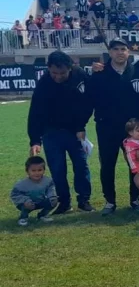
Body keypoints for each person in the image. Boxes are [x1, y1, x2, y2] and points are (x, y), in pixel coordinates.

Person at [88, 38, 139, 216]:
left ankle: (135, 199)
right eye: (116, 49)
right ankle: (110, 201)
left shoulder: (138, 72)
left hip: (134, 130)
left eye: (123, 49)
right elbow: (88, 102)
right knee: (107, 164)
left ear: (129, 52)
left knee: (136, 164)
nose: (120, 52)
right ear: (110, 52)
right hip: (107, 128)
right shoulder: (99, 74)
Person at [27, 51, 93, 214]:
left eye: (62, 73)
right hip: (51, 132)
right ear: (48, 69)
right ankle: (64, 202)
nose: (57, 76)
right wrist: (35, 140)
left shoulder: (81, 75)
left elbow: (88, 103)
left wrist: (80, 127)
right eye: (54, 73)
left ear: (70, 68)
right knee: (57, 168)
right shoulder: (44, 83)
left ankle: (84, 200)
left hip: (75, 131)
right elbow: (35, 112)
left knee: (81, 166)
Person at [11, 156, 58, 226]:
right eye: (33, 171)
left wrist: (52, 197)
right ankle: (23, 217)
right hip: (27, 204)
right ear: (27, 171)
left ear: (44, 170)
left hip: (40, 201)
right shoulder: (21, 184)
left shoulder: (48, 181)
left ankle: (42, 215)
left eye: (40, 170)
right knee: (27, 205)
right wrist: (25, 200)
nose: (37, 173)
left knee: (54, 201)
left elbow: (50, 189)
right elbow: (15, 195)